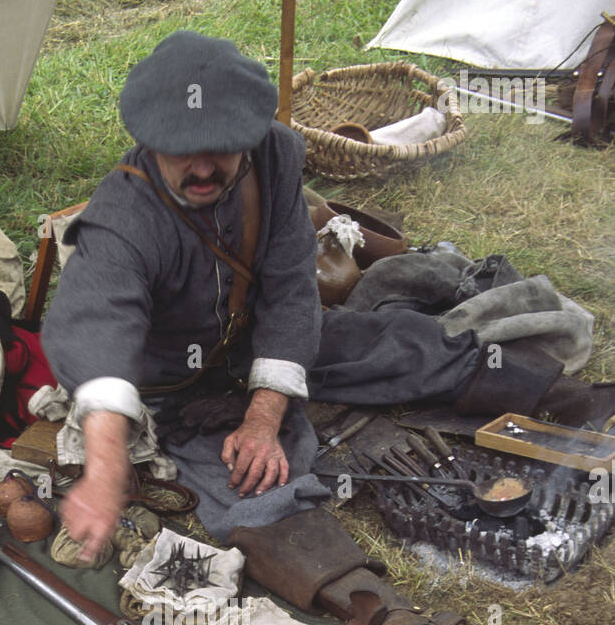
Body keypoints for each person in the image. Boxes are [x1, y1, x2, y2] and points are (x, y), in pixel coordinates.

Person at [41, 30, 613, 564]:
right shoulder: (122, 218)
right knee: (243, 489)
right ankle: (363, 599)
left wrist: (265, 413)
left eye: (222, 148)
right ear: (150, 140)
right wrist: (107, 462)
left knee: (394, 341)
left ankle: (570, 399)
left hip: (252, 339)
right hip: (172, 388)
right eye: (182, 151)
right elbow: (97, 328)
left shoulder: (275, 157)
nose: (204, 168)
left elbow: (292, 286)